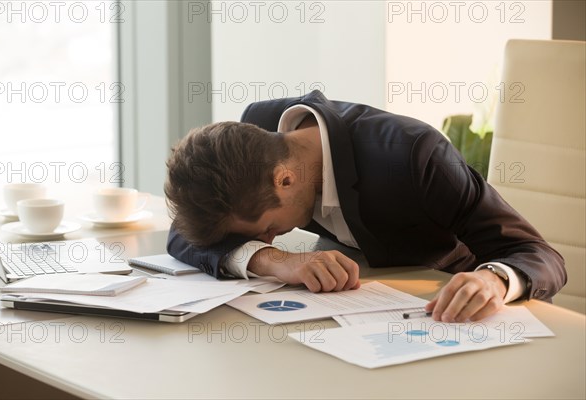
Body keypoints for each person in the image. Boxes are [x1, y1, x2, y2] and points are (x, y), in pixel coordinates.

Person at [165, 90, 566, 322]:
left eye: (268, 227)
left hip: (449, 316)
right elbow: (186, 232)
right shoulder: (260, 129)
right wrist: (274, 260)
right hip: (349, 316)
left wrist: (492, 280)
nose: (270, 237)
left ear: (285, 179)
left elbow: (537, 253)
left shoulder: (413, 155)